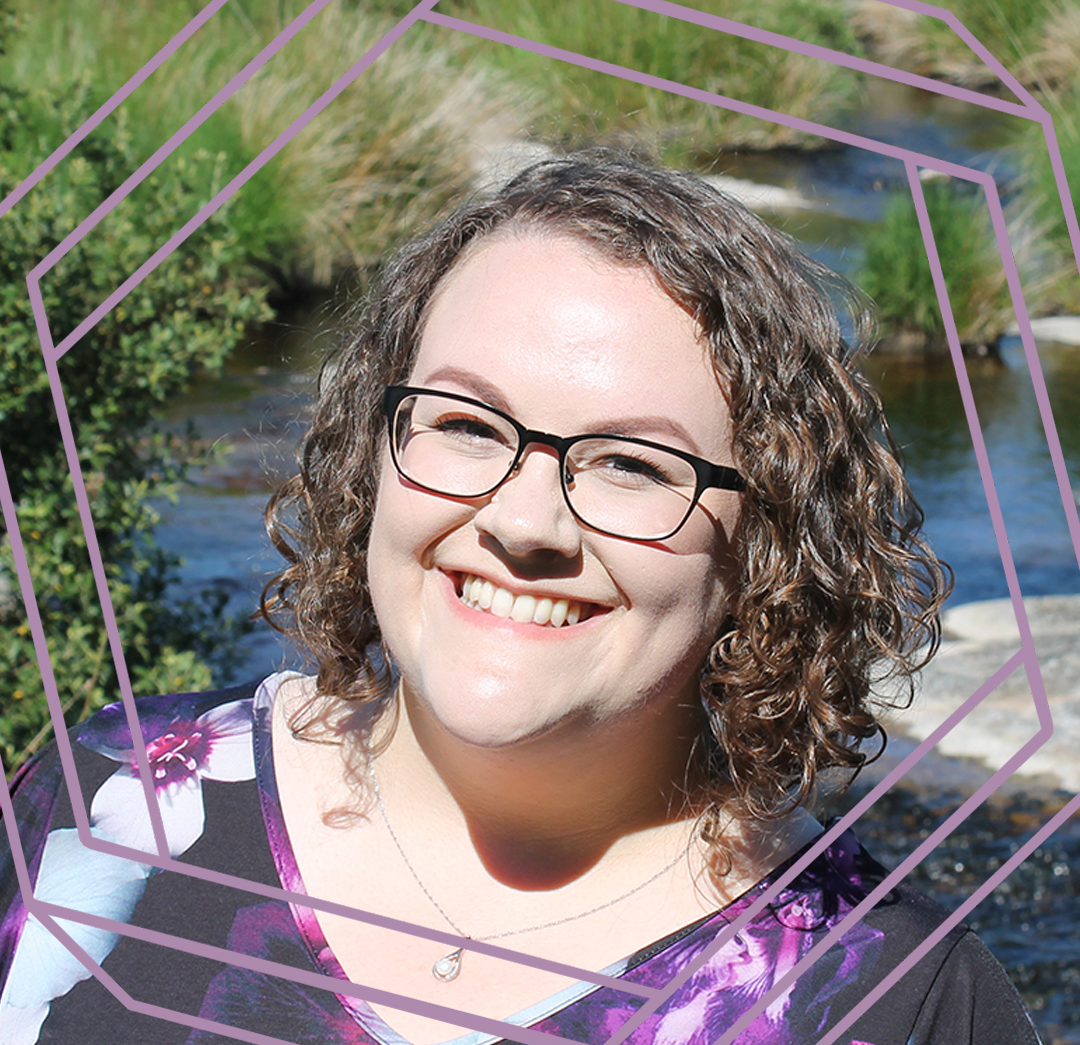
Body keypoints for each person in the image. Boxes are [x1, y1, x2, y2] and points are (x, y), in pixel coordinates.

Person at [0, 153, 1041, 1045]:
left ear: (766, 546)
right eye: (465, 424)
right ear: (374, 450)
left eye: (633, 464)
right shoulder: (100, 809)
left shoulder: (896, 1005)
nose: (525, 520)